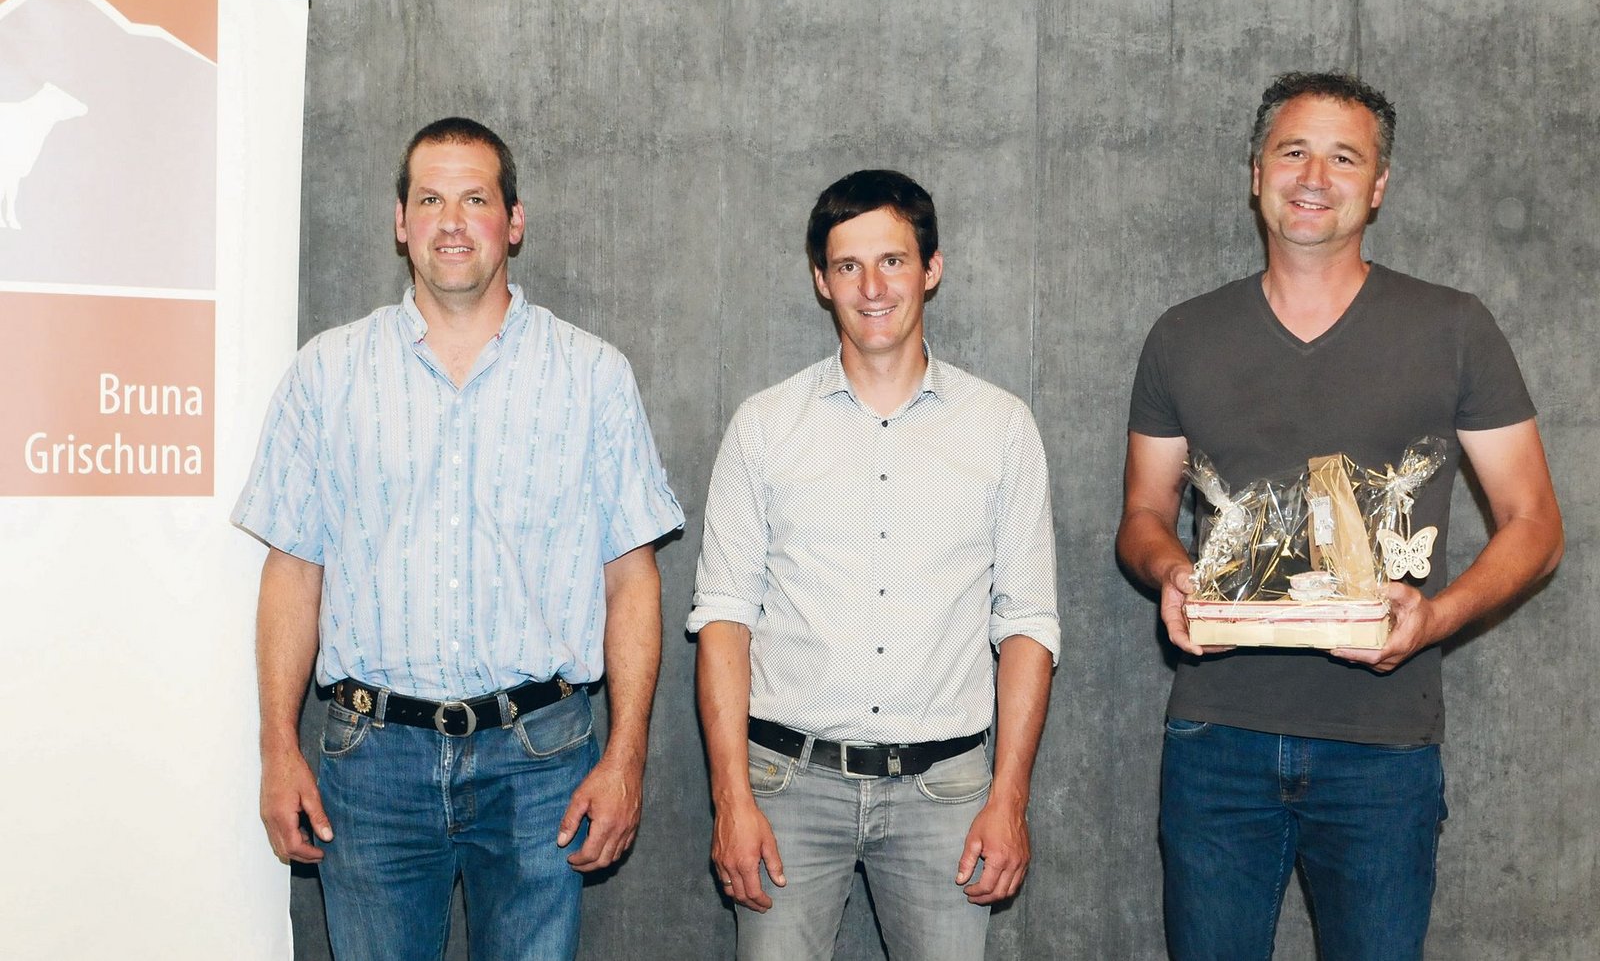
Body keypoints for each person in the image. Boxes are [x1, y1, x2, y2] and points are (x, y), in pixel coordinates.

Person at [1116, 71, 1563, 960]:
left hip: (1383, 745)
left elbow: (1536, 525)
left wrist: (1437, 616)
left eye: (1344, 158)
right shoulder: (1182, 335)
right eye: (1293, 152)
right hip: (1216, 737)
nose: (1314, 177)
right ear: (1257, 173)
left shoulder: (1454, 327)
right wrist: (1171, 571)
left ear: (1379, 185)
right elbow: (1141, 513)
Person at [233, 117, 683, 961]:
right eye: (430, 199)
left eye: (475, 199)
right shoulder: (327, 373)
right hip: (371, 765)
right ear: (400, 221)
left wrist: (626, 758)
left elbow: (632, 578)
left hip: (541, 759)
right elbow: (293, 571)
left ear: (514, 221)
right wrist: (277, 748)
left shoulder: (592, 376)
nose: (451, 221)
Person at [689, 169, 1059, 961]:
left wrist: (1009, 799)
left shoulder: (1001, 428)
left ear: (931, 268)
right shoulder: (764, 427)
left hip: (947, 794)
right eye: (848, 266)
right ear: (821, 281)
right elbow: (724, 619)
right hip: (786, 788)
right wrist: (732, 799)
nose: (872, 286)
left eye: (892, 261)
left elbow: (1028, 623)